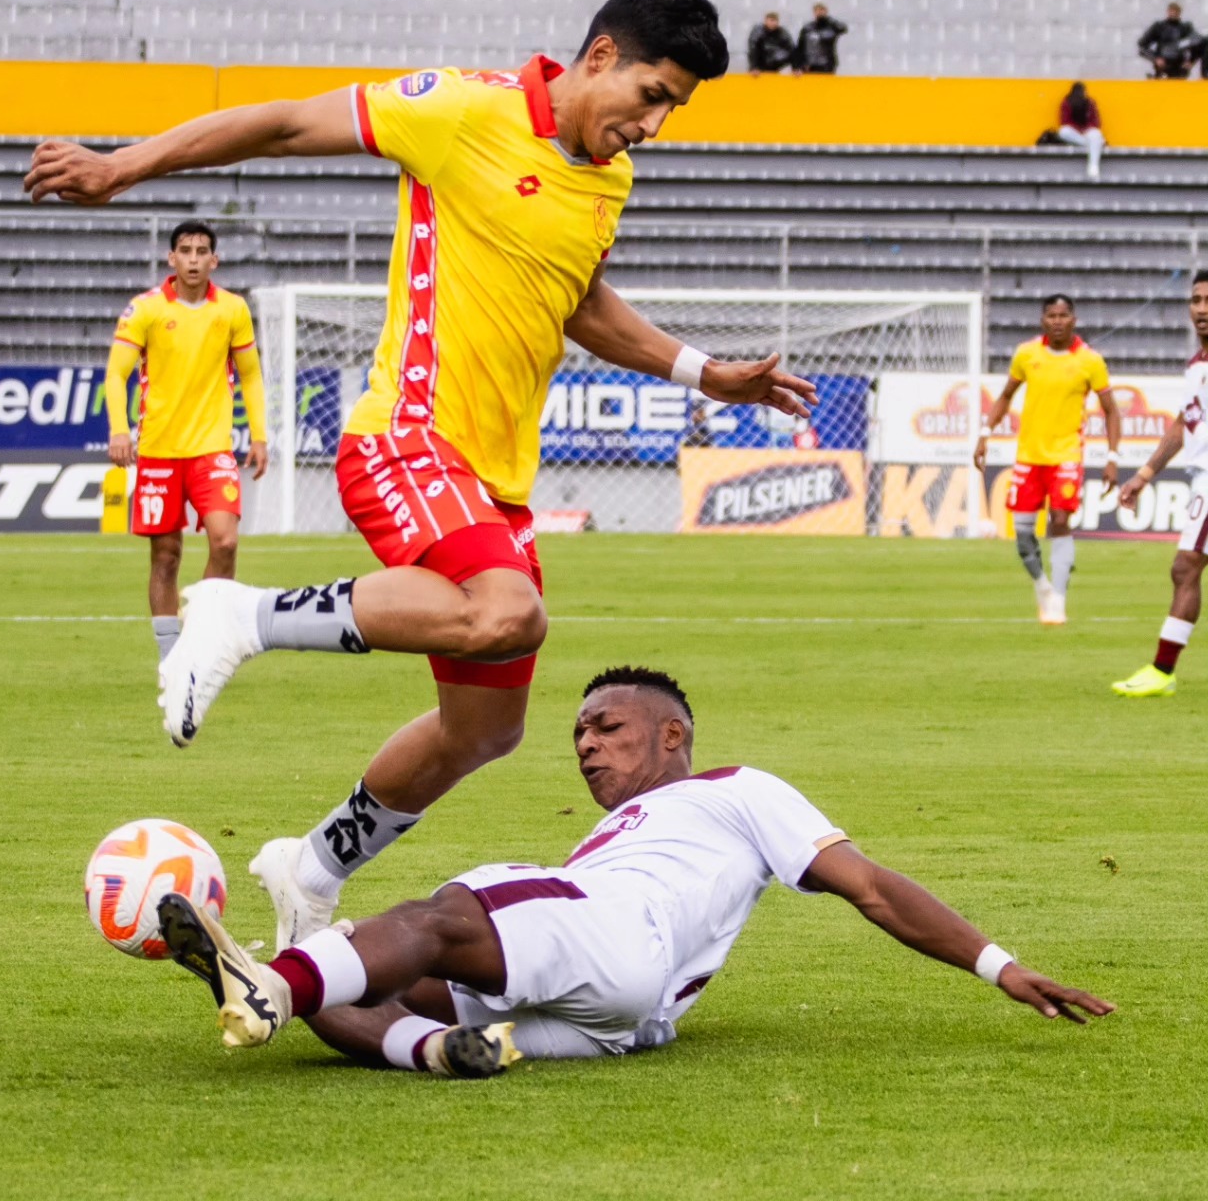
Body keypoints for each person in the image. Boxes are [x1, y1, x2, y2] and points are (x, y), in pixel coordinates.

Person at [25, 0, 818, 955]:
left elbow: (575, 296)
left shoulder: (607, 177)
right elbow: (280, 123)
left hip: (494, 480)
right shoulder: (464, 109)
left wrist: (705, 373)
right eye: (653, 95)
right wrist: (122, 168)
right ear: (602, 57)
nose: (655, 123)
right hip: (408, 436)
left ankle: (311, 869)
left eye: (674, 110)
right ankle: (239, 614)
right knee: (510, 612)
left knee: (486, 729)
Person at [154, 665, 1115, 1076]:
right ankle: (428, 1050)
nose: (584, 744)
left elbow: (870, 886)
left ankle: (270, 980)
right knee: (364, 979)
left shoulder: (736, 789)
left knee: (441, 913)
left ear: (672, 735)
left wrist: (997, 963)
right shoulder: (616, 838)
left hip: (623, 935)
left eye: (605, 726)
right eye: (577, 733)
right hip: (626, 1021)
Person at [104, 220, 270, 662]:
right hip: (159, 450)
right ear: (171, 258)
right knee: (166, 555)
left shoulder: (232, 309)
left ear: (214, 260)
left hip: (212, 448)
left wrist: (259, 435)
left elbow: (250, 375)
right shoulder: (145, 309)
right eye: (186, 250)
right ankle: (170, 657)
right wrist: (119, 429)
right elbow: (117, 373)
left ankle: (207, 637)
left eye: (202, 251)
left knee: (226, 541)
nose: (194, 259)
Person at [974, 295, 1121, 626]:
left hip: (1067, 455)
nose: (1057, 321)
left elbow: (1111, 410)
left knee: (1059, 519)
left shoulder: (1090, 361)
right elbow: (1006, 395)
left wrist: (1112, 457)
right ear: (1042, 320)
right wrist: (985, 433)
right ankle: (1042, 586)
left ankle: (1059, 598)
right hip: (1029, 456)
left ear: (1074, 320)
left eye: (1063, 315)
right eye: (1051, 315)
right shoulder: (1027, 354)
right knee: (1024, 534)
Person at [1111, 271, 1208, 698]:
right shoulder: (1196, 366)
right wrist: (1145, 474)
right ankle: (1162, 671)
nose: (1202, 309)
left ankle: (1162, 670)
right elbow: (1182, 423)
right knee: (1186, 567)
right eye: (1196, 300)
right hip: (1201, 476)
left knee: (1186, 565)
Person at [1057, 82, 1106, 180]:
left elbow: (1096, 122)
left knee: (1096, 134)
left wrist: (1086, 129)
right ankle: (1095, 145)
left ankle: (1093, 166)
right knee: (1063, 132)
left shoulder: (1090, 102)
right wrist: (1079, 129)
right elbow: (1065, 121)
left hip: (1088, 131)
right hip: (1075, 132)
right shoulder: (1066, 102)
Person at [1138, 2, 1200, 79]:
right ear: (1167, 11)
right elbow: (1142, 46)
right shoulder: (1159, 26)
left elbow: (1198, 44)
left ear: (1180, 13)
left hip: (1179, 66)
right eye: (1171, 11)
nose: (1173, 13)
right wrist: (1156, 58)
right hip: (1162, 65)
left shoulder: (1186, 28)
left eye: (1176, 11)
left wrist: (1191, 61)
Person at [795, 3, 847, 74]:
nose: (819, 12)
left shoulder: (831, 26)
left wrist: (829, 19)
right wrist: (798, 65)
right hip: (810, 65)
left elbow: (843, 28)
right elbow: (800, 47)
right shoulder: (807, 28)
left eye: (821, 10)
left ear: (826, 11)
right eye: (816, 10)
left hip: (827, 64)